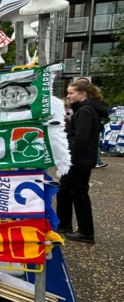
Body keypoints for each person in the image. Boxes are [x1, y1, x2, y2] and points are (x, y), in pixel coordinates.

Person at [56, 81, 109, 244]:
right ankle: (64, 224)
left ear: (82, 94)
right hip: (80, 158)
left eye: (71, 93)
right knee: (64, 190)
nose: (68, 96)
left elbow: (81, 137)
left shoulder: (85, 110)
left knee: (79, 194)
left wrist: (69, 156)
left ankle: (86, 232)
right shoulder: (86, 109)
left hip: (79, 159)